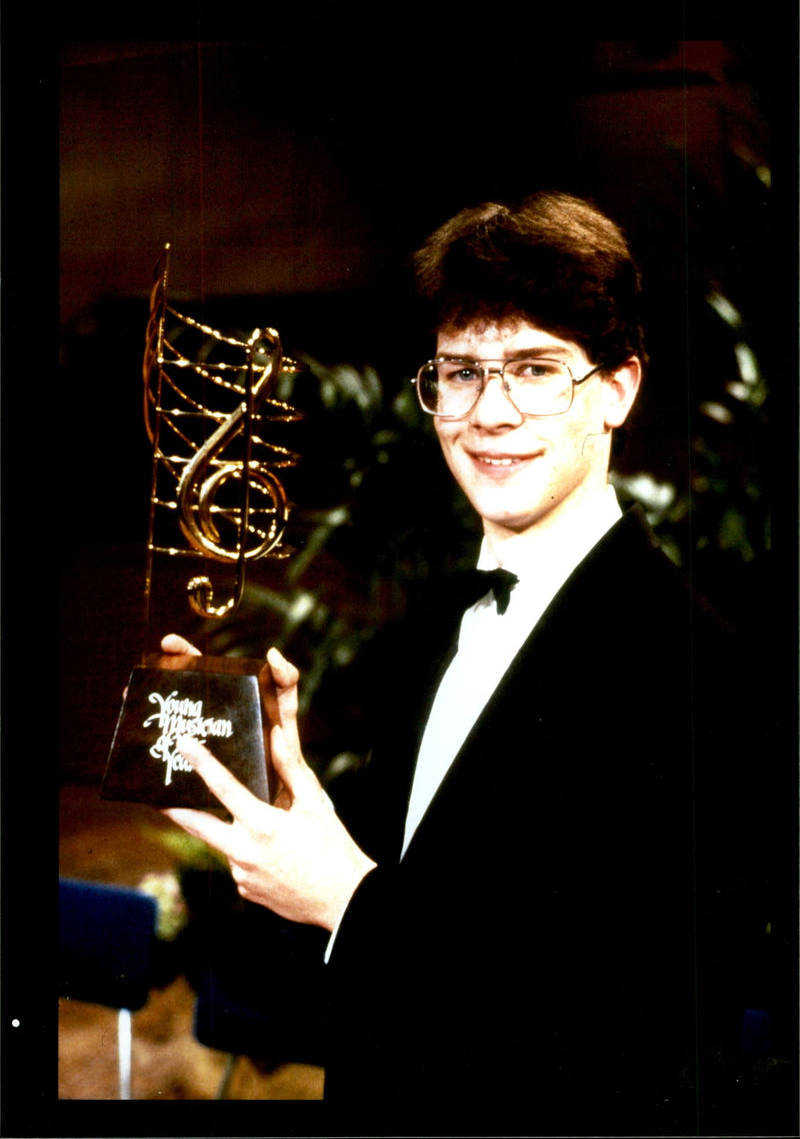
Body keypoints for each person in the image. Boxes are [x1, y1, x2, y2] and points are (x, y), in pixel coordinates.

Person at [163, 192, 783, 1134]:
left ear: (618, 389)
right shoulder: (431, 629)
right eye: (461, 373)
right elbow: (372, 959)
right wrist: (286, 819)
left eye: (535, 370)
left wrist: (348, 900)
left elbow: (633, 1035)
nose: (489, 413)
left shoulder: (705, 671)